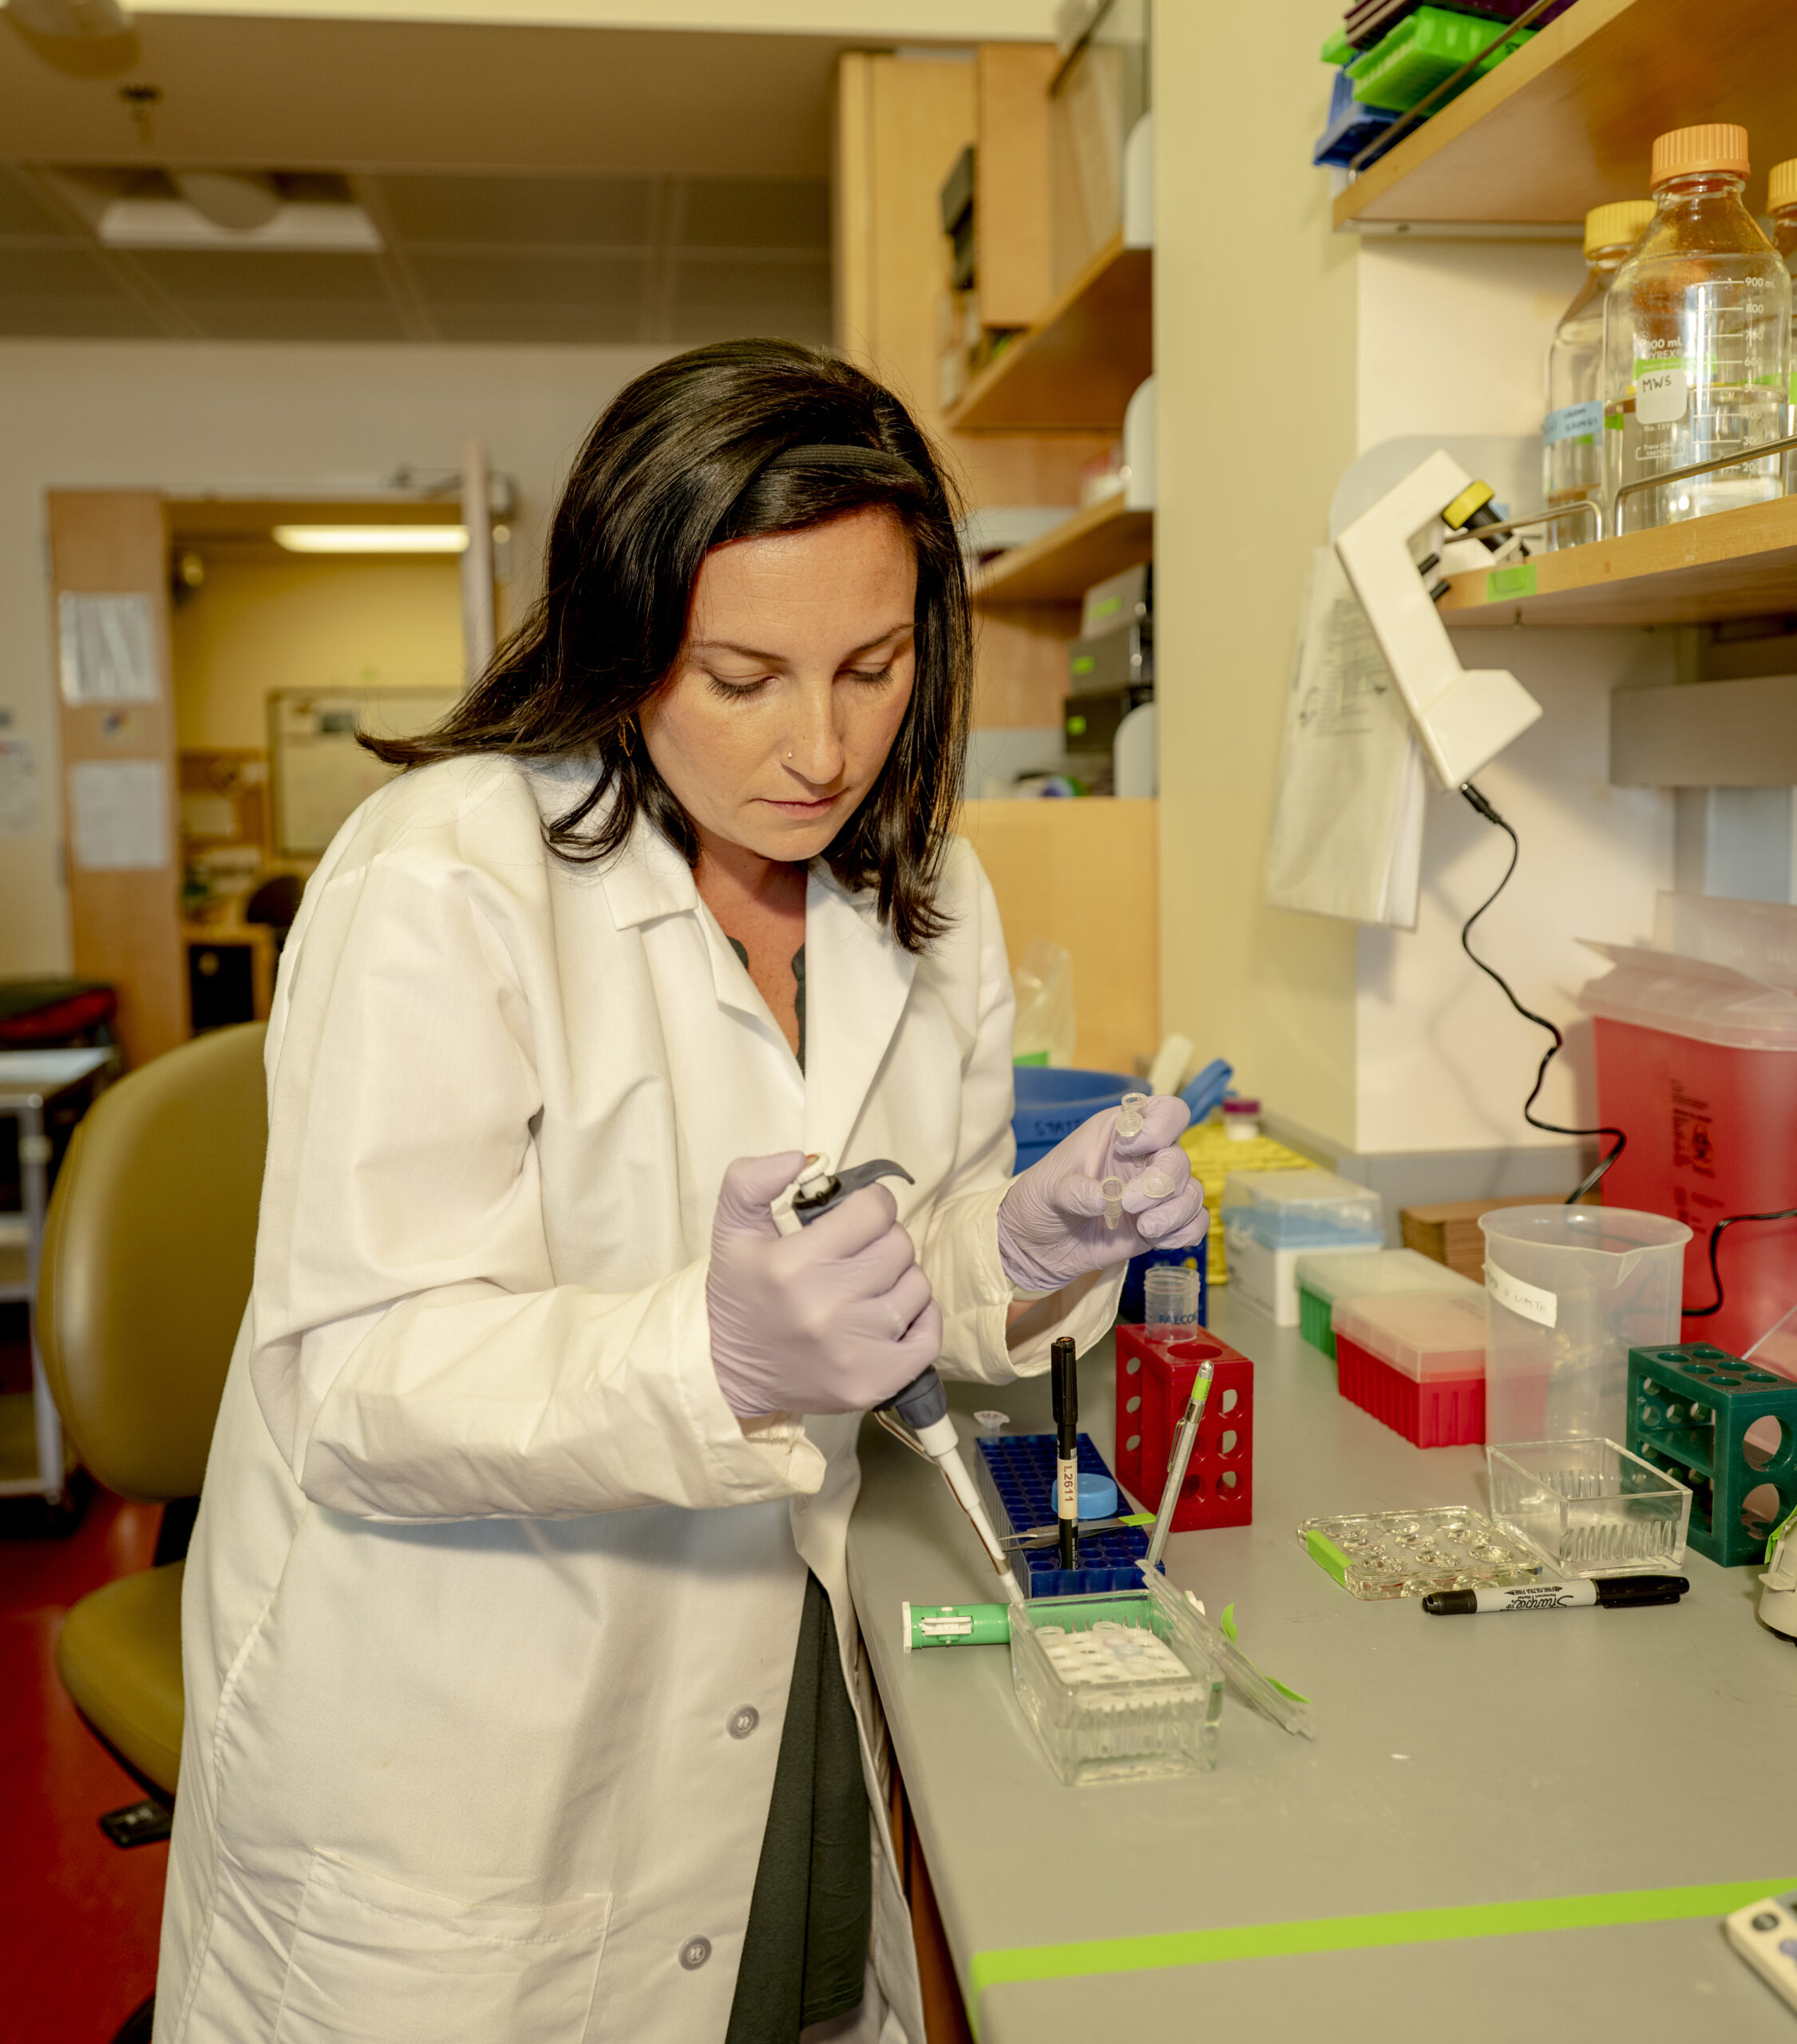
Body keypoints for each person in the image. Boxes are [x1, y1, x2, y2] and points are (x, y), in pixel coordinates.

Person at [156, 339, 1206, 2044]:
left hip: (781, 1651)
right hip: (473, 1735)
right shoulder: (446, 874)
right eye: (741, 674)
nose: (822, 745)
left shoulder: (926, 886)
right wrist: (713, 1356)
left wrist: (1021, 1241)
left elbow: (884, 1283)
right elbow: (350, 1382)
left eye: (872, 667)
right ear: (626, 638)